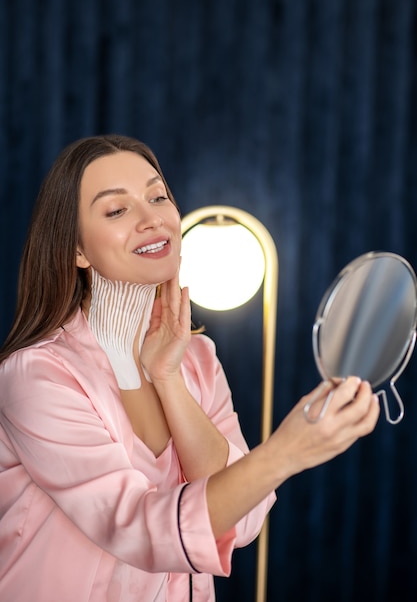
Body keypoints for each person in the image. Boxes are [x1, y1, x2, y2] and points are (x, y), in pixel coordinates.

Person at [0, 134, 380, 602]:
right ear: (77, 250)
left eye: (158, 197)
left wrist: (168, 378)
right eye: (117, 210)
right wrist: (286, 452)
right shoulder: (36, 376)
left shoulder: (197, 360)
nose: (151, 218)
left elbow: (241, 521)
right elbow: (138, 527)